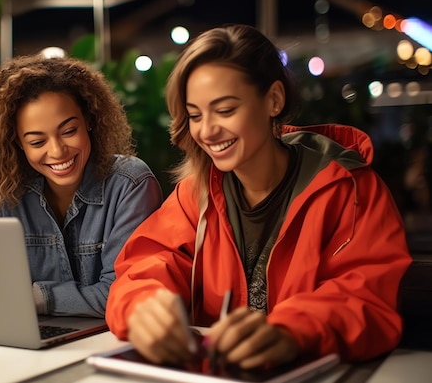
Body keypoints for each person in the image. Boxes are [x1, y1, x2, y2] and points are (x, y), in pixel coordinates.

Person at [105, 24, 412, 369]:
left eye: (225, 110)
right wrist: (143, 308)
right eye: (194, 115)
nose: (206, 130)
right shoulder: (196, 194)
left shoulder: (348, 189)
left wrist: (290, 332)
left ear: (274, 100)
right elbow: (144, 267)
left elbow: (368, 298)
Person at [0, 54, 163, 318]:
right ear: (17, 142)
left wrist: (36, 298)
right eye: (37, 142)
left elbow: (124, 292)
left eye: (68, 131)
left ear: (88, 119)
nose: (57, 151)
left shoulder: (129, 184)